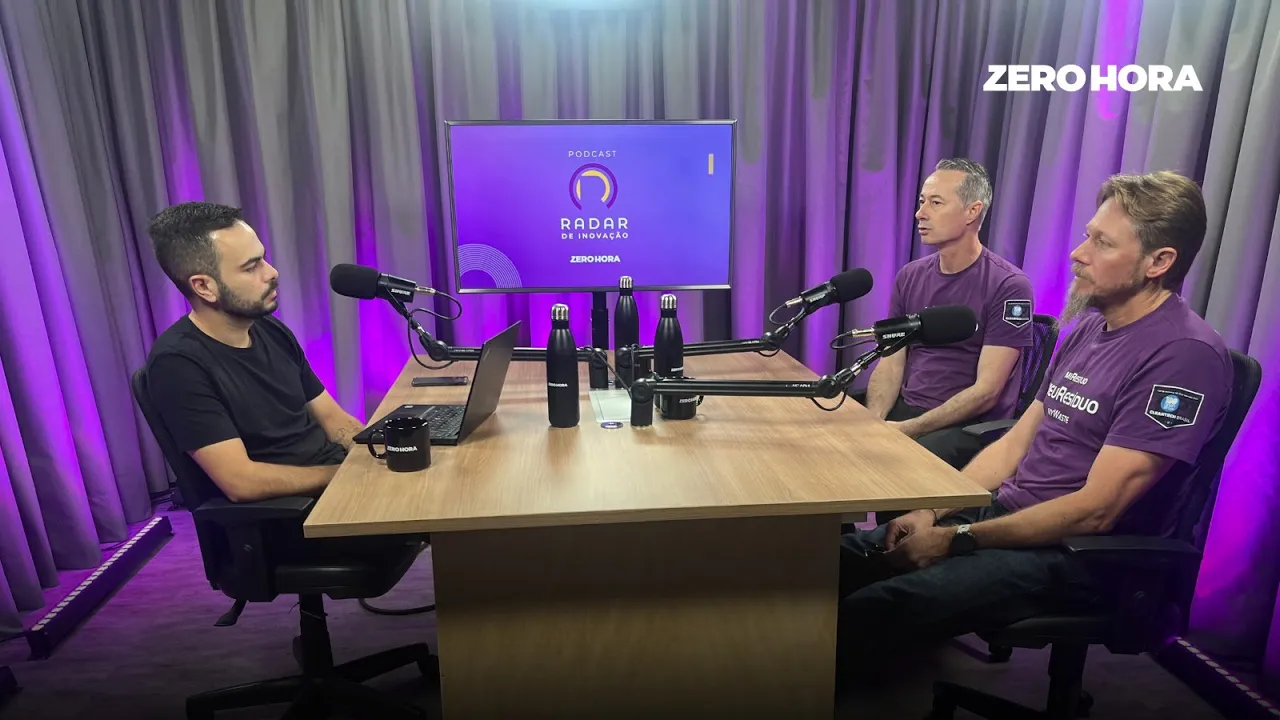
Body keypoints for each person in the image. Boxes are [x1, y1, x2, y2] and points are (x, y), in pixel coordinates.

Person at [836, 170, 1234, 683]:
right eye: (1088, 235)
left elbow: (1095, 512)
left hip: (1072, 556)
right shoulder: (1088, 326)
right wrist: (933, 510)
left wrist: (955, 539)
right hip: (1008, 513)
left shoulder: (1183, 357)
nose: (1078, 253)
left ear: (1159, 262)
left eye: (1102, 243)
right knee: (831, 562)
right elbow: (1015, 444)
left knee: (867, 610)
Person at [144, 202, 366, 503]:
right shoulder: (177, 366)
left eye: (264, 259)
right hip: (294, 511)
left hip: (336, 483)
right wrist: (346, 476)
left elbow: (332, 418)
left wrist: (374, 456)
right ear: (204, 287)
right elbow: (241, 482)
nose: (272, 272)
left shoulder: (269, 329)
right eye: (252, 267)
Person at [863, 159, 1036, 479]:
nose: (920, 213)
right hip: (908, 409)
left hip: (965, 425)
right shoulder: (910, 276)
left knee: (897, 466)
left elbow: (986, 391)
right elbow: (891, 361)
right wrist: (875, 421)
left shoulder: (1010, 286)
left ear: (972, 211)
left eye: (936, 203)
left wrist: (909, 429)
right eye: (921, 202)